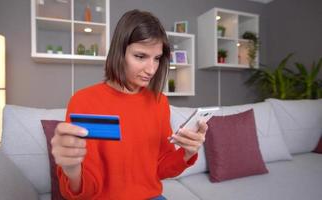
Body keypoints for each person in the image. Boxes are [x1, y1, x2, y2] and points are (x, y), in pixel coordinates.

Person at [51, 9, 208, 200]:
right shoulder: (84, 101)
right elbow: (82, 191)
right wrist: (72, 169)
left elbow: (160, 168)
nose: (151, 69)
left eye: (157, 58)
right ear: (120, 52)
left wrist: (187, 152)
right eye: (140, 56)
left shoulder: (159, 102)